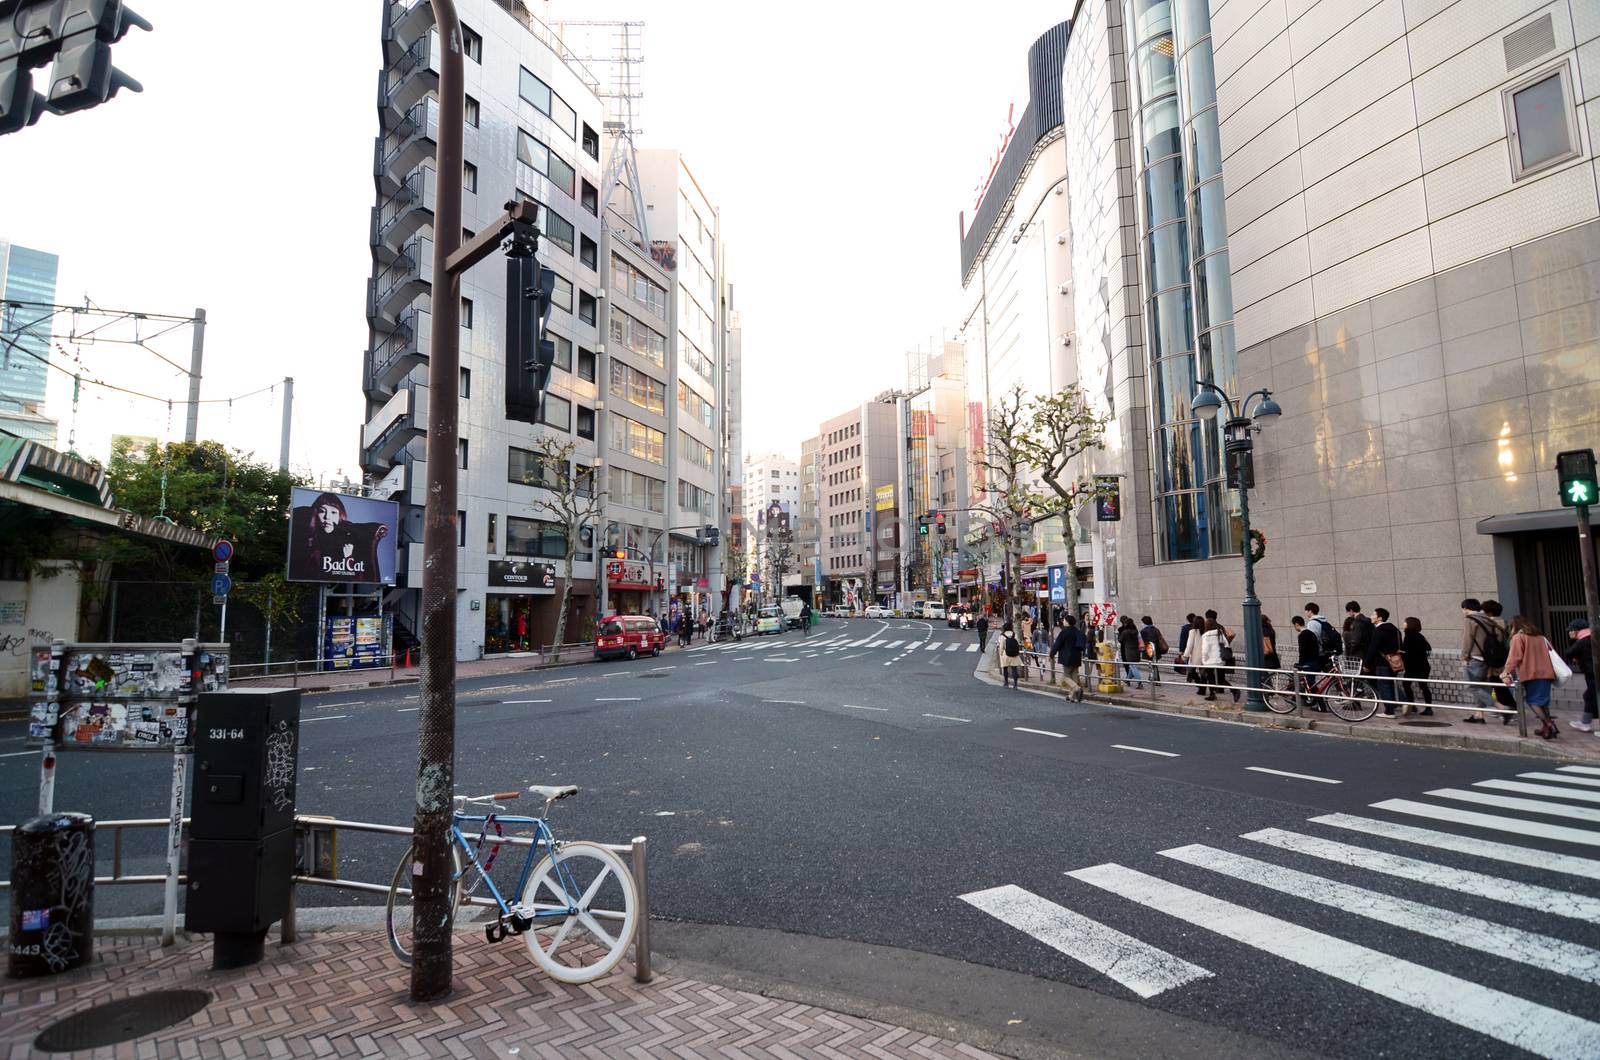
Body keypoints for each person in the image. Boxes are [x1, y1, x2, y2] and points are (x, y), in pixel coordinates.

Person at [1503, 615, 1560, 739]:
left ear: (1515, 626)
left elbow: (1515, 657)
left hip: (1532, 673)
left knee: (1533, 701)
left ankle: (1549, 725)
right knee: (1542, 702)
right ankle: (1546, 728)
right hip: (1547, 673)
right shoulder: (1540, 637)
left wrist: (1506, 671)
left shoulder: (1518, 637)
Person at [1459, 598, 1502, 724]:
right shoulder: (1488, 620)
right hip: (1488, 659)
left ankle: (1500, 706)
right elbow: (1498, 636)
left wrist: (1464, 657)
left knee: (1471, 686)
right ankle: (1479, 715)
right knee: (1482, 687)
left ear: (1466, 608)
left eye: (1463, 609)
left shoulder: (1470, 620)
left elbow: (1467, 640)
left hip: (1475, 658)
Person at [1483, 599, 1517, 723]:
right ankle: (1507, 709)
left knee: (1498, 684)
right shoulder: (1505, 623)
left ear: (1489, 612)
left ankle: (1509, 709)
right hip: (1504, 657)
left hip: (1495, 659)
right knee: (1499, 684)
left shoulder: (1491, 624)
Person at [1368, 607, 1406, 716]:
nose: (1371, 616)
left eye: (1373, 614)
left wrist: (1367, 663)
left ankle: (1389, 711)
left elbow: (1373, 648)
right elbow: (1400, 645)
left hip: (1382, 662)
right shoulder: (1395, 630)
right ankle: (1405, 702)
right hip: (1394, 661)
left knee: (1383, 686)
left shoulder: (1378, 630)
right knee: (1391, 683)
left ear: (1379, 618)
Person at [1198, 616, 1239, 703]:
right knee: (1220, 679)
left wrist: (1203, 659)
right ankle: (1234, 691)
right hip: (1220, 659)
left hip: (1209, 661)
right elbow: (1227, 644)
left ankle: (1212, 694)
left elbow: (1205, 650)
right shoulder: (1220, 633)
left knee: (1210, 677)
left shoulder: (1205, 635)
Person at [1566, 619, 1597, 734]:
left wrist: (1573, 640)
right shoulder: (1592, 637)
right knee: (1590, 696)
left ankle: (1585, 723)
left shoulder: (1582, 641)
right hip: (1593, 673)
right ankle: (1586, 722)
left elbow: (1569, 653)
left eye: (1571, 631)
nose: (1569, 633)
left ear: (1577, 630)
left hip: (1592, 673)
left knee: (1590, 696)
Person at [1399, 617, 1434, 716]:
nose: (1403, 624)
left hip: (1413, 666)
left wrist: (1401, 652)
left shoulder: (1409, 636)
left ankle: (1412, 705)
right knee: (1423, 686)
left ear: (1409, 624)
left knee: (1406, 684)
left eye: (1405, 622)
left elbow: (1408, 652)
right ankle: (1428, 708)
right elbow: (1428, 648)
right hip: (1423, 665)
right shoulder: (1420, 636)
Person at [1054, 615, 1086, 702]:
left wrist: (1052, 654)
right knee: (1074, 675)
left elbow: (1057, 644)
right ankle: (1072, 696)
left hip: (1067, 656)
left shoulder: (1064, 632)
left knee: (1065, 676)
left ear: (1067, 622)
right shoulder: (1077, 631)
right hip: (1077, 656)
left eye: (1064, 620)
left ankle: (1076, 688)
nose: (1063, 622)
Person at [1343, 601, 1373, 668]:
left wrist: (1351, 651)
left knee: (1358, 676)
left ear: (1351, 610)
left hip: (1358, 655)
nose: (1348, 614)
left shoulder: (1357, 623)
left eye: (1348, 612)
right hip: (1368, 653)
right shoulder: (1369, 621)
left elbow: (1356, 640)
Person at [1140, 615, 1167, 688]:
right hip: (1156, 649)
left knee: (1152, 665)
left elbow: (1143, 642)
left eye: (1142, 622)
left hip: (1149, 649)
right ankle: (1152, 678)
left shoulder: (1143, 631)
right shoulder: (1156, 629)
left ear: (1144, 623)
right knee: (1153, 664)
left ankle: (1156, 680)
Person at [1118, 616, 1144, 688]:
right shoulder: (1136, 631)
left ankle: (1140, 683)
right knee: (1132, 666)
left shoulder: (1125, 632)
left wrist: (1118, 634)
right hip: (1137, 651)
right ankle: (1127, 679)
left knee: (1133, 666)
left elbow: (1120, 640)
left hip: (1129, 651)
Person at [1000, 623, 1023, 689]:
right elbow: (1017, 643)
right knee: (1014, 669)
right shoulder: (1014, 634)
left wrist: (1001, 653)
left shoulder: (1002, 636)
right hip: (1014, 654)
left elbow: (1001, 647)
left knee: (1005, 668)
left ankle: (1006, 683)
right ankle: (1015, 684)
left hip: (1006, 654)